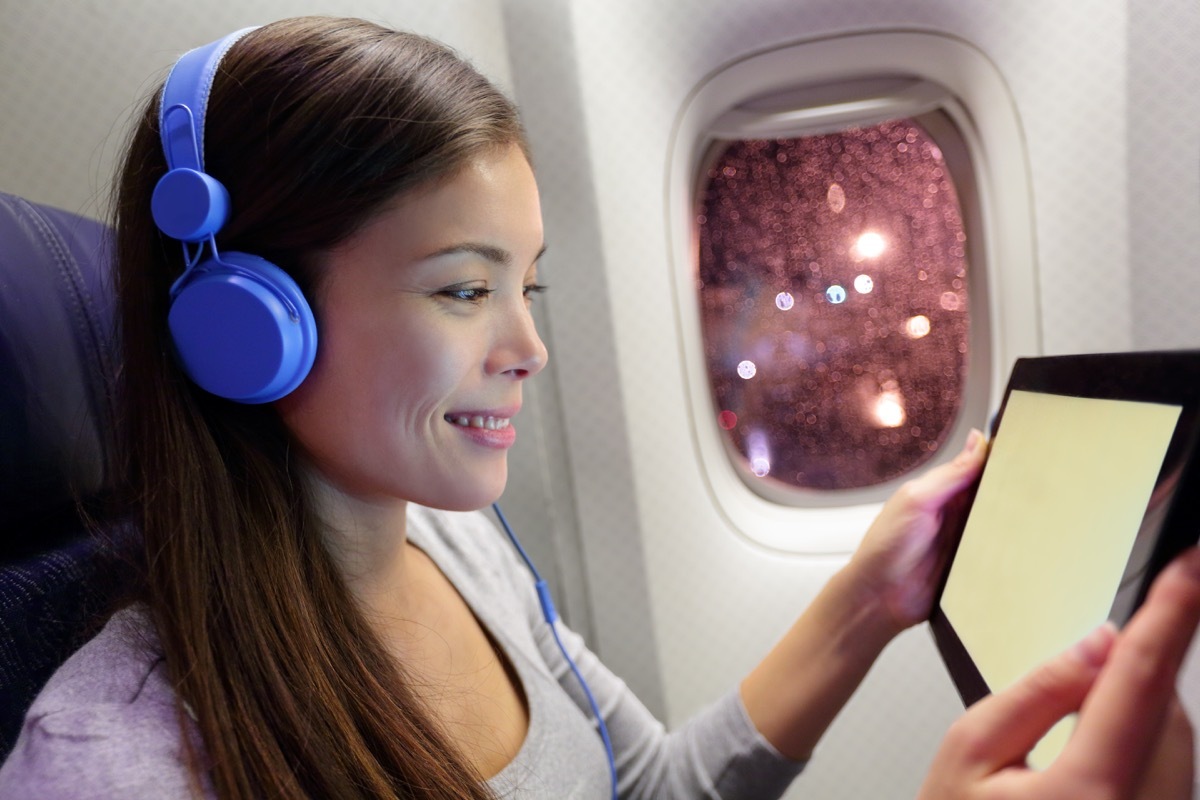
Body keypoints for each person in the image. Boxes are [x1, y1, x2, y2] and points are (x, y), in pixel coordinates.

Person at [0, 16, 1196, 799]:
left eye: (530, 284)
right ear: (247, 322)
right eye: (466, 287)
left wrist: (870, 599)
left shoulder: (457, 545)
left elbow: (653, 789)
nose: (528, 345)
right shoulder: (109, 766)